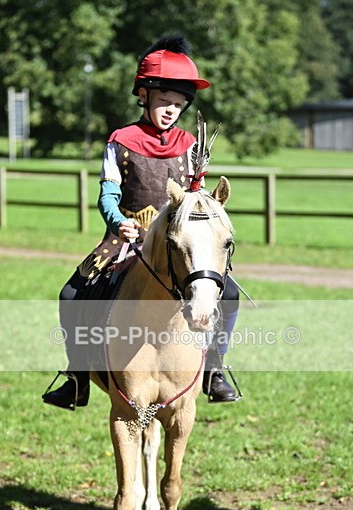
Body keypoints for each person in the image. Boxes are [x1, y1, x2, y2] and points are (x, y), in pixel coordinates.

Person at [42, 34, 240, 410]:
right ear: (144, 96)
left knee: (227, 293)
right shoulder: (121, 140)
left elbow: (195, 196)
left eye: (178, 105)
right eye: (164, 102)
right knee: (72, 293)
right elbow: (108, 194)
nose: (171, 111)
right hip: (125, 237)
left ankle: (215, 368)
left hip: (177, 243)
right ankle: (77, 376)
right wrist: (118, 222)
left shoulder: (189, 143)